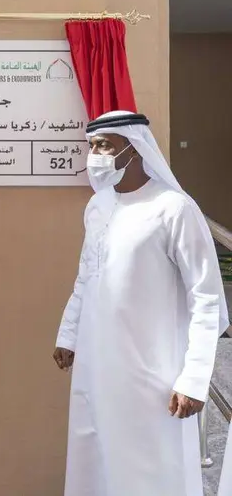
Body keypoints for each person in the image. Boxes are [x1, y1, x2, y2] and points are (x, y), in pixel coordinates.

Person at [53, 110, 228, 496]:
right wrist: (68, 334)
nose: (95, 154)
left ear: (134, 148)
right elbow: (86, 275)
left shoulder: (174, 209)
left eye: (104, 145)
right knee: (94, 456)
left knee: (149, 467)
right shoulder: (97, 208)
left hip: (151, 371)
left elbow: (207, 298)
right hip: (96, 365)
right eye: (92, 146)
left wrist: (194, 379)